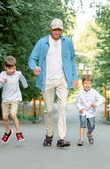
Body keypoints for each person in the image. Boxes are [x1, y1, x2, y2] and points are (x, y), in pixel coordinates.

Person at [28, 18, 78, 148]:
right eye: (55, 29)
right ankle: (49, 135)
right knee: (49, 110)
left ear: (62, 30)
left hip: (63, 79)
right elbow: (32, 59)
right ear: (50, 28)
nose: (57, 32)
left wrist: (74, 77)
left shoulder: (67, 42)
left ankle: (61, 138)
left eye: (59, 29)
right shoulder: (42, 42)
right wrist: (35, 67)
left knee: (63, 107)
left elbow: (72, 59)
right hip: (47, 80)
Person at [0, 55, 28, 143]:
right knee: (5, 118)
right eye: (10, 69)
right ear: (5, 67)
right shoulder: (2, 75)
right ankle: (8, 132)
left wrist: (25, 85)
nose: (12, 71)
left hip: (15, 98)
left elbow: (23, 80)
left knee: (13, 114)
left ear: (15, 67)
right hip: (5, 99)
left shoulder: (18, 74)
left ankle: (18, 132)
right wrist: (2, 82)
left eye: (13, 68)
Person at [75, 74, 105, 146]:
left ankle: (89, 134)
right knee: (82, 125)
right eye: (85, 83)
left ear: (91, 84)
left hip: (91, 112)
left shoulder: (94, 92)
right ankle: (81, 139)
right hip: (83, 112)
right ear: (82, 84)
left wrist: (96, 104)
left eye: (89, 83)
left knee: (92, 126)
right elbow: (77, 103)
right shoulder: (80, 93)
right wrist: (80, 108)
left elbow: (102, 99)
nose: (87, 85)